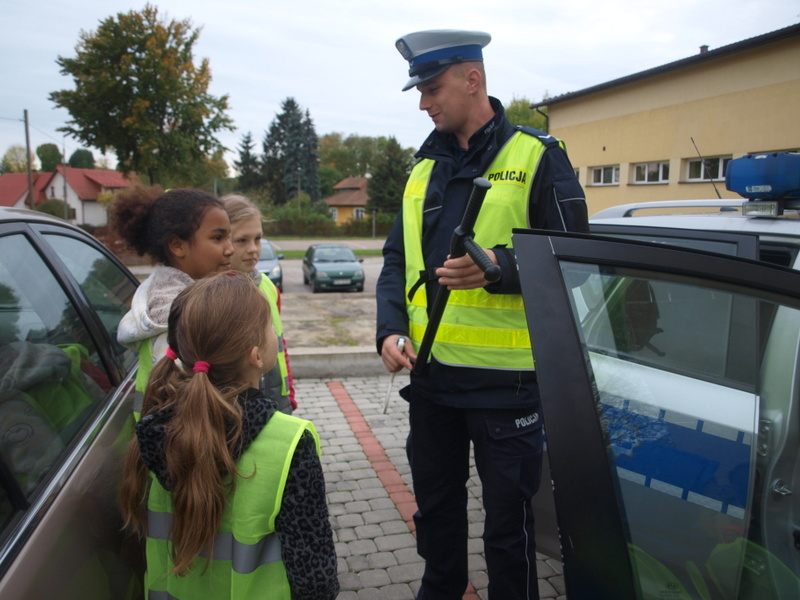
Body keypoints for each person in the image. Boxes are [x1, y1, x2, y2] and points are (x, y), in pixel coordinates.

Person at [376, 30, 589, 600]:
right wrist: (389, 330)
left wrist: (503, 267)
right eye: (421, 91)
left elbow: (575, 259)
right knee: (437, 517)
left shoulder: (538, 156)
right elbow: (396, 260)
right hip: (431, 383)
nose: (424, 103)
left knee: (508, 532)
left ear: (473, 80)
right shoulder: (422, 168)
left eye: (432, 89)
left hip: (506, 390)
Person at [119, 271, 338, 599]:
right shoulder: (290, 442)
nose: (274, 331)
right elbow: (315, 576)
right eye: (269, 325)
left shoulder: (158, 431)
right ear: (256, 354)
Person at [112, 187, 234, 417]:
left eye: (229, 236)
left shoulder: (164, 295)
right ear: (178, 246)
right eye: (218, 238)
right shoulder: (179, 321)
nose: (231, 249)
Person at [221, 194, 296, 413]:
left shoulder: (268, 286)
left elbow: (280, 346)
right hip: (237, 409)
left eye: (258, 239)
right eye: (242, 240)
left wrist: (288, 394)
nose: (253, 248)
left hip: (276, 401)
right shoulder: (213, 295)